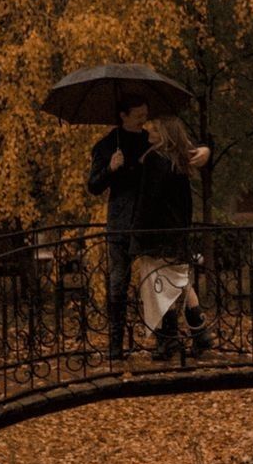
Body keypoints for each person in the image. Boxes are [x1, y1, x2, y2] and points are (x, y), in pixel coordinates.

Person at [87, 96, 209, 359]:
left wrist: (205, 151)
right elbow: (94, 185)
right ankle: (116, 347)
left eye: (146, 113)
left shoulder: (151, 139)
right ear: (123, 115)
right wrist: (110, 167)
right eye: (139, 114)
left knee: (160, 282)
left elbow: (183, 150)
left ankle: (167, 341)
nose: (144, 118)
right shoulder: (106, 145)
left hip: (152, 225)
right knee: (119, 283)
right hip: (120, 225)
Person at [130, 115, 213, 360]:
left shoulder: (156, 159)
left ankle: (168, 341)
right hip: (177, 231)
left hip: (158, 234)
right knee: (179, 280)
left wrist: (138, 233)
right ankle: (199, 334)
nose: (149, 132)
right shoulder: (179, 161)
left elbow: (148, 201)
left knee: (162, 284)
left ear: (164, 134)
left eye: (154, 129)